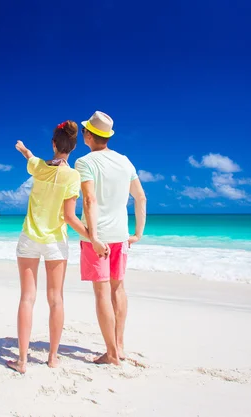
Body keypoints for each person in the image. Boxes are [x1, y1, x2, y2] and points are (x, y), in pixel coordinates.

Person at [7, 120, 89, 374]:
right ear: (73, 147)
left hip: (29, 238)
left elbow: (31, 158)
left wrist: (23, 149)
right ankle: (52, 357)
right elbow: (69, 216)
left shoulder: (38, 168)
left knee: (27, 298)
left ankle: (21, 361)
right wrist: (91, 238)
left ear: (54, 143)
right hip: (55, 242)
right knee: (56, 300)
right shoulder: (73, 176)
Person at [74, 111, 147, 366]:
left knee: (102, 293)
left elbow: (89, 199)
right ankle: (120, 346)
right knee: (119, 289)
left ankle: (112, 354)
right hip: (120, 237)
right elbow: (141, 198)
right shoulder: (125, 161)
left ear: (90, 135)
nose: (83, 133)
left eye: (84, 130)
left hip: (99, 239)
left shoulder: (84, 162)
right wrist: (138, 233)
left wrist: (92, 236)